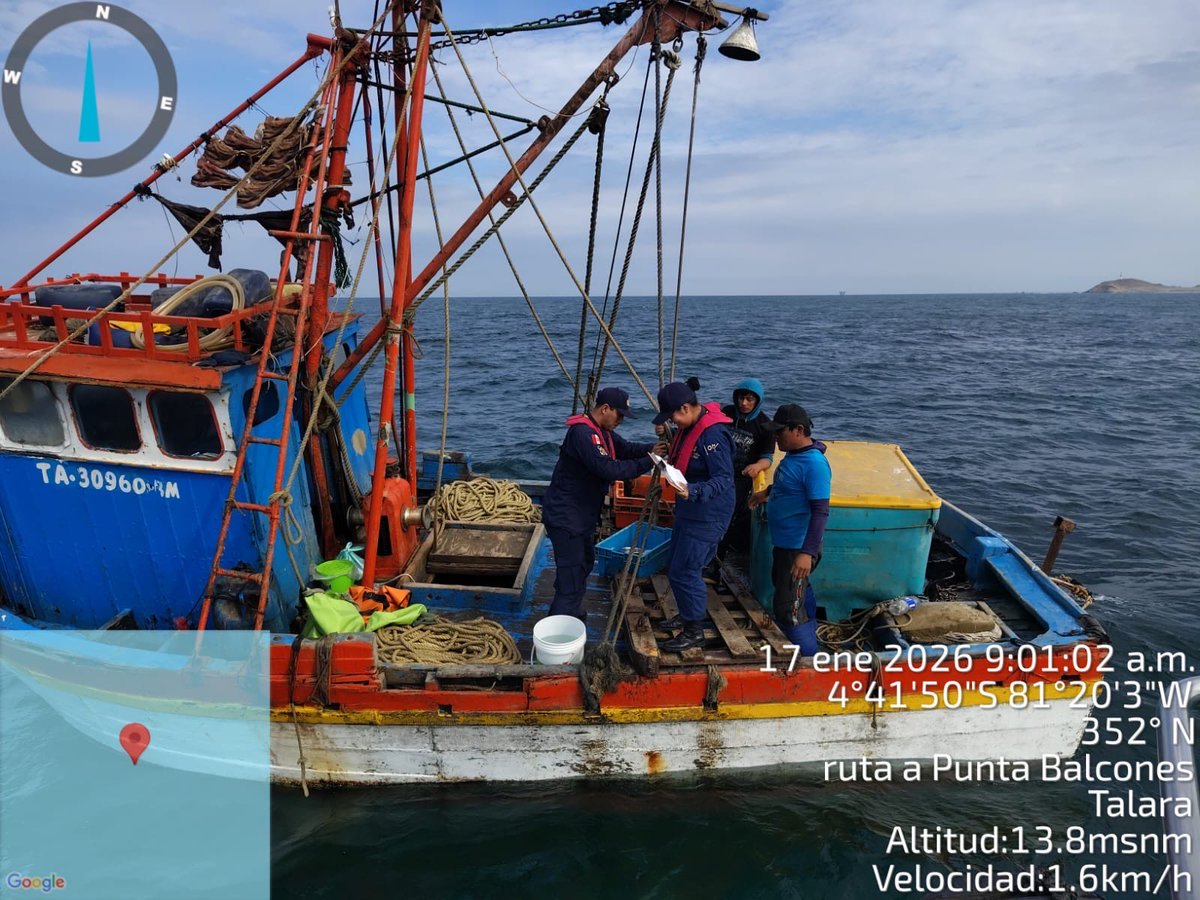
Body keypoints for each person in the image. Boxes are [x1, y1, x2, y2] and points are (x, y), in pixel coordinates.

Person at [541, 387, 663, 622]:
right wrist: (649, 461)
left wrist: (653, 449)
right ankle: (559, 631)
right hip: (567, 518)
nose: (621, 422)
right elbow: (607, 468)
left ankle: (572, 611)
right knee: (571, 577)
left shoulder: (602, 431)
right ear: (605, 409)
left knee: (584, 564)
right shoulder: (583, 434)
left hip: (583, 515)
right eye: (619, 415)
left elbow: (626, 449)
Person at [652, 381, 735, 652]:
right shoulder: (687, 428)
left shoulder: (712, 437)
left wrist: (694, 490)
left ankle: (694, 629)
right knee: (675, 564)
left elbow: (724, 478)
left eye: (673, 416)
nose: (673, 422)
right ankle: (687, 613)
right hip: (689, 510)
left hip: (707, 513)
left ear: (686, 408)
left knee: (685, 570)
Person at [747, 404, 831, 655]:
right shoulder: (794, 457)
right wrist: (765, 493)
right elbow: (787, 486)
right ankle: (809, 637)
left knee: (787, 607)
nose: (776, 437)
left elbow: (820, 511)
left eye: (780, 432)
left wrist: (807, 552)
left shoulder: (814, 464)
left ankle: (806, 661)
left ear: (798, 430)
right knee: (794, 592)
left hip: (797, 547)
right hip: (785, 544)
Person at [718, 377, 775, 560]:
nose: (744, 403)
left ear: (757, 401)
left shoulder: (765, 425)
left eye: (750, 399)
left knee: (729, 517)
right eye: (741, 398)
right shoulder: (725, 414)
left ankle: (718, 557)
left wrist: (758, 466)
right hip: (718, 472)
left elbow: (767, 458)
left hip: (740, 479)